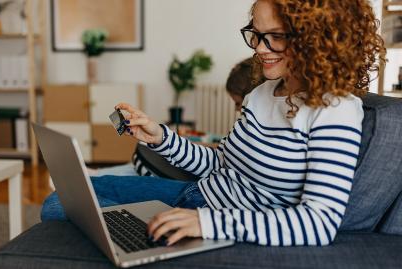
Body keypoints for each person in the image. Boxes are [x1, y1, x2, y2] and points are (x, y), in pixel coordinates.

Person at [42, 0, 385, 247]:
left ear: (316, 38)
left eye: (275, 36)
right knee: (61, 200)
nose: (259, 47)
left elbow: (319, 223)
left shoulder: (335, 110)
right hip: (195, 194)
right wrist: (160, 137)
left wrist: (206, 223)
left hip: (219, 220)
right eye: (256, 33)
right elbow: (221, 163)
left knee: (66, 211)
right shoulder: (262, 94)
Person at [87, 57, 265, 178]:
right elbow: (223, 155)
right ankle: (97, 174)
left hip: (201, 181)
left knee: (140, 169)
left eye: (237, 103)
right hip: (206, 164)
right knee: (143, 156)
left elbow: (225, 159)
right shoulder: (244, 128)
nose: (236, 109)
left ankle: (97, 175)